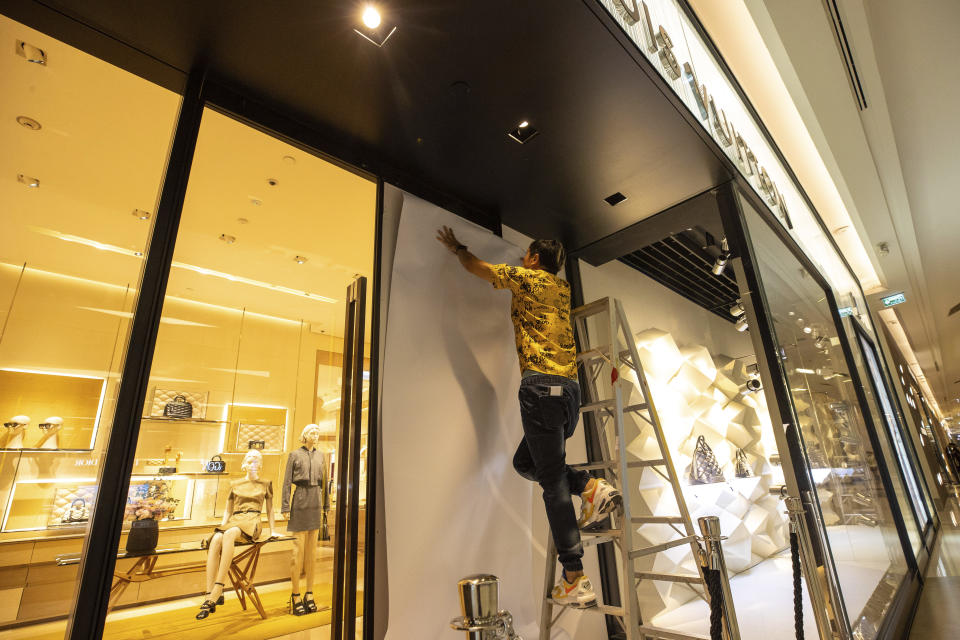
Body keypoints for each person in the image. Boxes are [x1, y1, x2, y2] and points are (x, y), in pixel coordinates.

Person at [436, 225, 621, 609]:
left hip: (540, 389)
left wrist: (458, 248)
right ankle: (587, 487)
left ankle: (574, 575)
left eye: (527, 255)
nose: (522, 259)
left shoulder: (526, 278)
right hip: (569, 391)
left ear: (535, 259)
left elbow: (478, 268)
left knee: (552, 483)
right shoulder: (563, 289)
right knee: (526, 463)